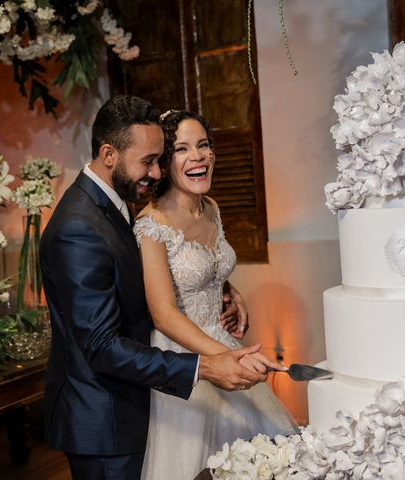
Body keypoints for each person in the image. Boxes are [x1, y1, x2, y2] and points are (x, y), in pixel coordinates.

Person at [39, 96, 279, 480]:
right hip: (104, 418)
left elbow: (151, 274)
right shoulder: (78, 227)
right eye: (149, 161)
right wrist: (204, 366)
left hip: (136, 396)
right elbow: (101, 345)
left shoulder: (114, 202)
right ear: (109, 154)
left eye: (159, 158)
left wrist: (223, 287)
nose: (156, 171)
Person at [134, 110, 299, 480]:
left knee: (257, 462)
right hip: (182, 357)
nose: (199, 156)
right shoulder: (150, 225)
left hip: (222, 340)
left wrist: (230, 290)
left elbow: (206, 269)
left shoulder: (212, 208)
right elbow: (163, 313)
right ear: (163, 161)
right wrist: (229, 357)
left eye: (204, 145)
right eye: (182, 149)